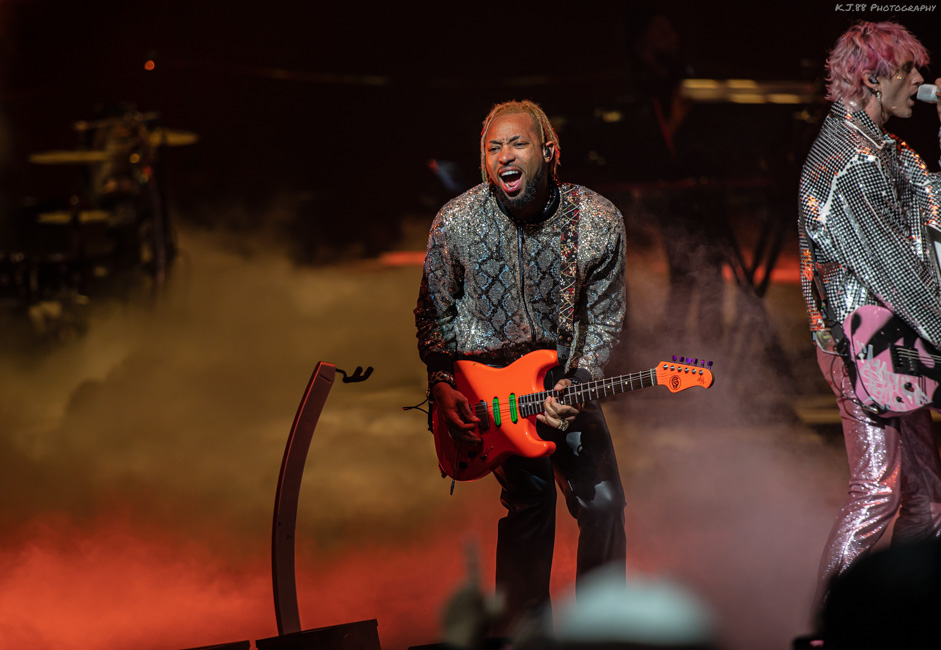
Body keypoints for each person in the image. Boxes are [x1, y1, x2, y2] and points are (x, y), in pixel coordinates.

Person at [415, 99, 627, 633]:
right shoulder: (457, 222)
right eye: (493, 147)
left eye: (517, 143)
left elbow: (603, 320)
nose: (504, 155)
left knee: (603, 506)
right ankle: (522, 636)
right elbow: (432, 313)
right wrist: (442, 385)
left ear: (549, 153)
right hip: (488, 393)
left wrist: (576, 384)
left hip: (565, 384)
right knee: (530, 508)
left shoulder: (598, 222)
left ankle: (600, 632)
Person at [797, 21, 941, 615]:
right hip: (863, 346)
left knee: (928, 500)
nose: (922, 82)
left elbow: (933, 208)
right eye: (912, 72)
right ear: (876, 76)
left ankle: (900, 615)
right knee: (878, 490)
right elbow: (891, 271)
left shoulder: (887, 149)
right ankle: (829, 623)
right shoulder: (849, 161)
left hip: (893, 339)